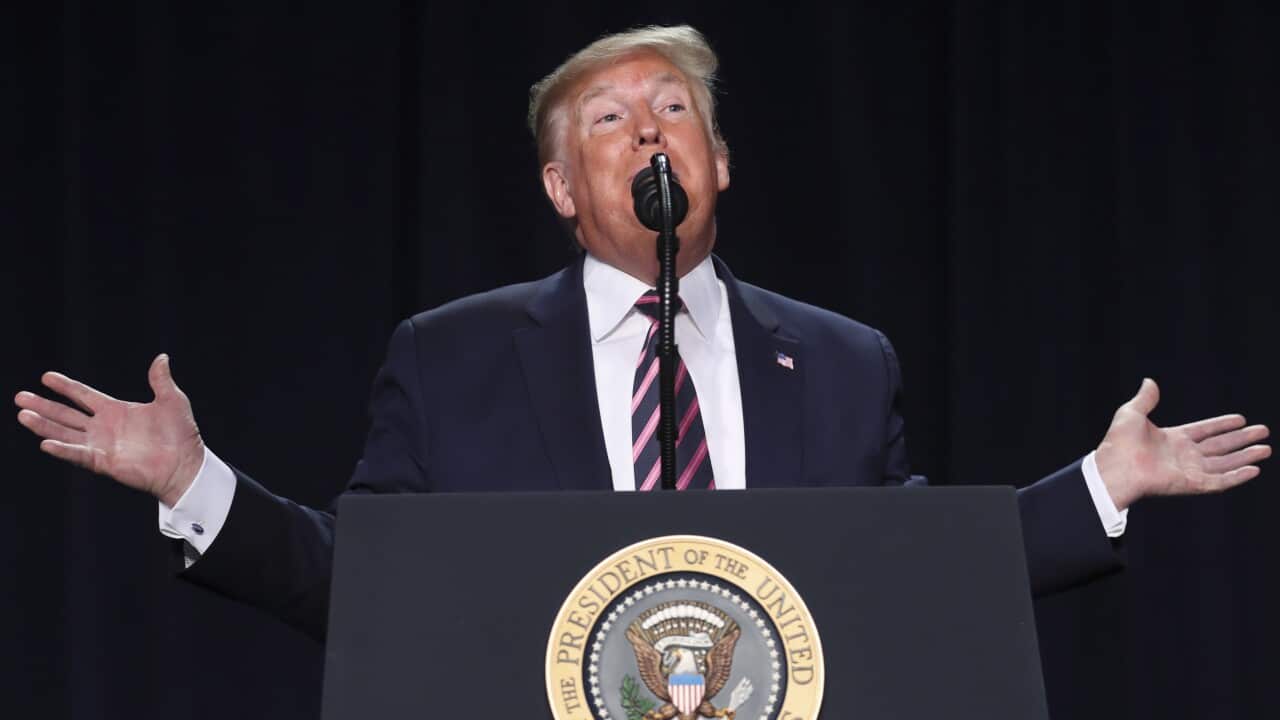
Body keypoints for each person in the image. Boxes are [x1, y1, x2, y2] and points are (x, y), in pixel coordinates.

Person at [14, 26, 1270, 643]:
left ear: (718, 160)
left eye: (674, 108)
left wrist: (1102, 483)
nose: (649, 131)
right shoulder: (450, 355)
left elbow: (909, 573)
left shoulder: (840, 360)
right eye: (609, 119)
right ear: (562, 188)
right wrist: (193, 483)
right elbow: (366, 587)